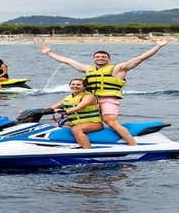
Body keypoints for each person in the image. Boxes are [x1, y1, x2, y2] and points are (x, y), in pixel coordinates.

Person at [36, 36, 169, 146]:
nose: (100, 58)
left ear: (108, 59)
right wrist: (48, 53)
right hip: (90, 101)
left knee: (110, 121)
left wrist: (158, 46)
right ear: (94, 59)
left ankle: (133, 145)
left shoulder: (118, 69)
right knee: (69, 123)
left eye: (103, 56)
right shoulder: (88, 69)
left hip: (107, 100)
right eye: (97, 56)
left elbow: (140, 58)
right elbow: (68, 61)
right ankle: (75, 143)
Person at [49, 78, 103, 149]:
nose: (75, 86)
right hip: (76, 123)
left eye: (78, 85)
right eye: (73, 84)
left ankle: (87, 149)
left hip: (94, 123)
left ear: (84, 87)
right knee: (55, 126)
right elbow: (52, 107)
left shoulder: (89, 96)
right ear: (69, 86)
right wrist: (43, 111)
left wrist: (64, 111)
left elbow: (79, 107)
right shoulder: (68, 98)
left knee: (76, 129)